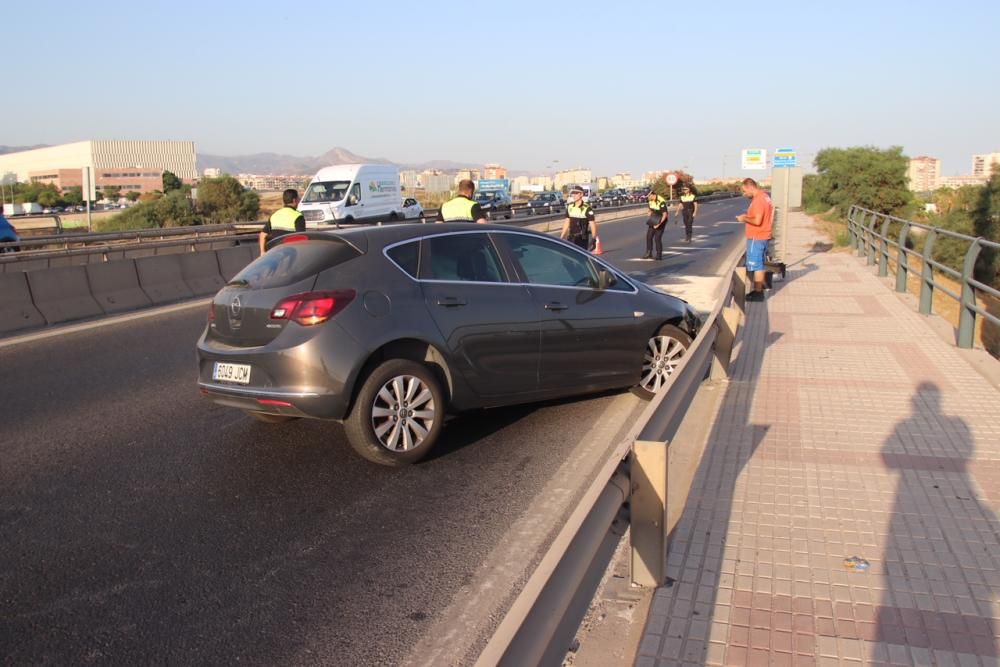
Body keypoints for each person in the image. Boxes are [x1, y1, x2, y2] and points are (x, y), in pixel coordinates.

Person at [735, 178, 774, 301]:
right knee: (760, 264)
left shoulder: (758, 200)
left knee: (756, 265)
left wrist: (744, 218)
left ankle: (758, 292)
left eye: (744, 191)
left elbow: (757, 221)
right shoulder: (765, 197)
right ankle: (759, 288)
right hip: (763, 235)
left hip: (757, 237)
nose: (744, 194)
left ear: (750, 187)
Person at [260, 188, 305, 254]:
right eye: (298, 199)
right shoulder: (298, 216)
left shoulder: (274, 215)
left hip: (275, 253)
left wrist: (262, 252)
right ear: (294, 200)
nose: (299, 201)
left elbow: (262, 234)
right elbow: (301, 238)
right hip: (291, 253)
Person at [561, 186, 598, 250]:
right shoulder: (570, 207)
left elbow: (592, 224)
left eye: (576, 193)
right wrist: (561, 237)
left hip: (582, 239)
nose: (574, 195)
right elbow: (567, 222)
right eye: (573, 193)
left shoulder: (587, 208)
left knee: (581, 258)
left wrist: (593, 239)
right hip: (571, 238)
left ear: (581, 194)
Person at [643, 191, 669, 259]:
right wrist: (649, 212)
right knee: (649, 236)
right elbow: (650, 208)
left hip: (661, 219)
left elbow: (665, 215)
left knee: (657, 238)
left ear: (652, 195)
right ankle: (649, 253)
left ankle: (659, 255)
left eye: (648, 196)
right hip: (654, 218)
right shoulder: (650, 201)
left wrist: (659, 224)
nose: (647, 198)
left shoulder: (661, 201)